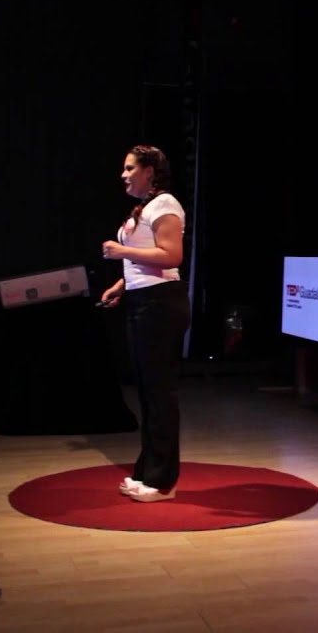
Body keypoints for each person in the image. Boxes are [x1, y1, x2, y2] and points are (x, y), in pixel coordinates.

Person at [97, 144, 191, 503]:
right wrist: (122, 285)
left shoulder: (165, 204)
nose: (123, 175)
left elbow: (171, 255)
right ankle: (148, 469)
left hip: (161, 305)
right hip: (143, 301)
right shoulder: (146, 207)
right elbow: (147, 261)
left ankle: (163, 481)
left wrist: (122, 252)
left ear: (149, 171)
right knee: (149, 394)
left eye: (129, 168)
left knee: (160, 393)